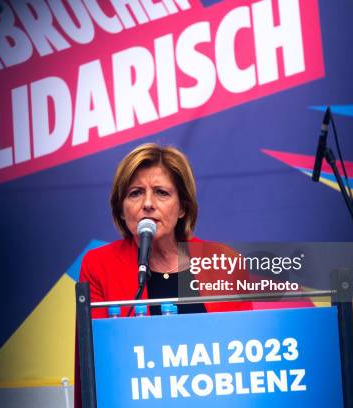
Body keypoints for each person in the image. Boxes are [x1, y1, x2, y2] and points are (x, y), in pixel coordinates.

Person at [74, 143, 251, 407]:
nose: (147, 203)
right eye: (135, 193)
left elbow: (250, 355)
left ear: (182, 208)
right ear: (122, 210)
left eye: (161, 192)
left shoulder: (223, 260)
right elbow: (94, 367)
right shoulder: (99, 265)